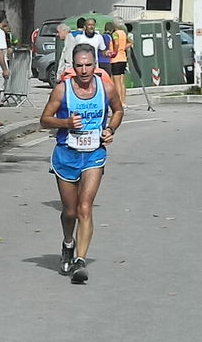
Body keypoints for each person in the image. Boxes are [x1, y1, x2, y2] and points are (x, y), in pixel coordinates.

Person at [40, 43, 124, 284]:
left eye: (89, 65)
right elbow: (44, 120)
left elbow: (118, 111)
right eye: (79, 66)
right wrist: (66, 123)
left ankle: (80, 260)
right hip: (66, 154)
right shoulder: (61, 90)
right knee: (70, 211)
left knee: (85, 208)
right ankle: (68, 243)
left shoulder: (106, 88)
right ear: (72, 67)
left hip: (93, 154)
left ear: (95, 66)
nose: (84, 70)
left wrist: (110, 129)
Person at [110, 21, 132, 108]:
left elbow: (116, 43)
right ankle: (123, 101)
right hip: (123, 58)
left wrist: (115, 51)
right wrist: (123, 48)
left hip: (116, 59)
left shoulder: (115, 34)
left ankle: (118, 101)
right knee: (122, 82)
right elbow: (130, 42)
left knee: (116, 82)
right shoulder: (123, 33)